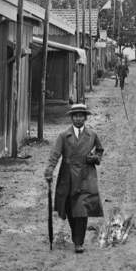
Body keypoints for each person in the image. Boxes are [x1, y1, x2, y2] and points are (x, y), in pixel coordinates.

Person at [44, 103, 104, 253]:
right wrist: (49, 170)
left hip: (86, 175)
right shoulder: (64, 136)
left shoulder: (92, 135)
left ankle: (79, 242)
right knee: (71, 209)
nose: (78, 119)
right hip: (68, 176)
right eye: (75, 116)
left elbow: (100, 150)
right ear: (71, 118)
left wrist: (95, 157)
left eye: (81, 116)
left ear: (85, 118)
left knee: (82, 209)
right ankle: (75, 235)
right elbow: (55, 154)